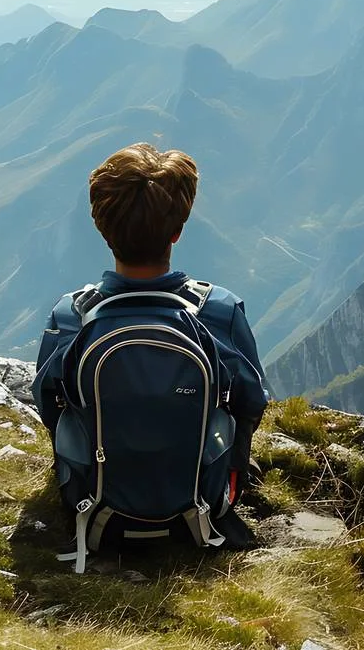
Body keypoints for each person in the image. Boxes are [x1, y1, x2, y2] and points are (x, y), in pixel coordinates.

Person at [33, 142, 268, 562]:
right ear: (177, 231)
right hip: (200, 504)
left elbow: (48, 403)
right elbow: (252, 401)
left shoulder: (72, 316)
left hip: (91, 504)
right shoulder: (218, 311)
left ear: (102, 228)